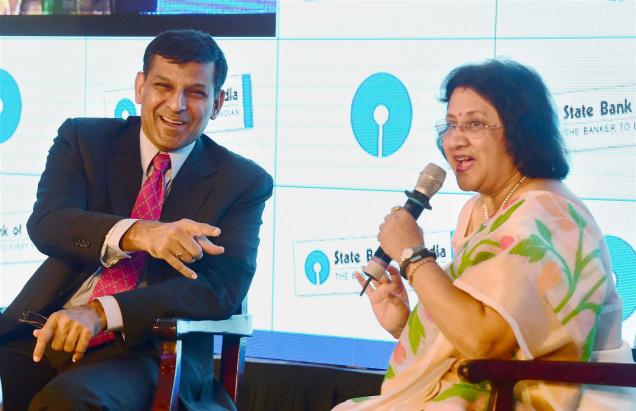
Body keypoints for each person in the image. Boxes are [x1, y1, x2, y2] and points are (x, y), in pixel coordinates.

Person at [0, 29, 273, 410]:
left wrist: (104, 312)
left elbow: (221, 289)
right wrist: (141, 234)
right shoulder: (83, 140)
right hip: (39, 328)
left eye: (195, 92)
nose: (176, 105)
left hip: (148, 349)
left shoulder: (242, 182)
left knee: (68, 401)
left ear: (217, 102)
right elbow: (48, 222)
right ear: (140, 87)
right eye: (163, 86)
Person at [334, 59, 623, 410]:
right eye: (451, 125)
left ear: (520, 132)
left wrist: (413, 256)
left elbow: (486, 343)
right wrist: (405, 325)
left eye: (474, 124)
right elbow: (479, 342)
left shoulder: (547, 214)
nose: (454, 141)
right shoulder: (478, 209)